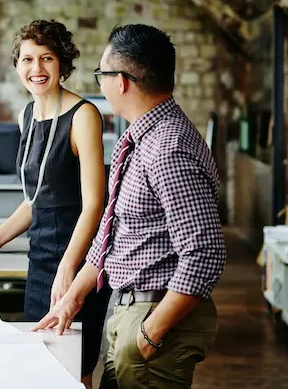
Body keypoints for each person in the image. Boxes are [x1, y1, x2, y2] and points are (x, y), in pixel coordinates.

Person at [31, 24, 227, 388]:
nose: (100, 84)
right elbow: (113, 233)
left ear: (121, 81)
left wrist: (150, 333)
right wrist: (72, 297)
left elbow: (204, 253)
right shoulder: (140, 138)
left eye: (101, 74)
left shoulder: (169, 148)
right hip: (128, 309)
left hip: (154, 317)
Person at [0, 19, 110, 388]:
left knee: (75, 371)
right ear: (17, 66)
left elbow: (95, 204)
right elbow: (36, 200)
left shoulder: (83, 116)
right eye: (28, 60)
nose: (37, 69)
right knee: (42, 367)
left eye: (47, 58)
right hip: (40, 262)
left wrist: (69, 268)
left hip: (79, 262)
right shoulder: (26, 116)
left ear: (62, 63)